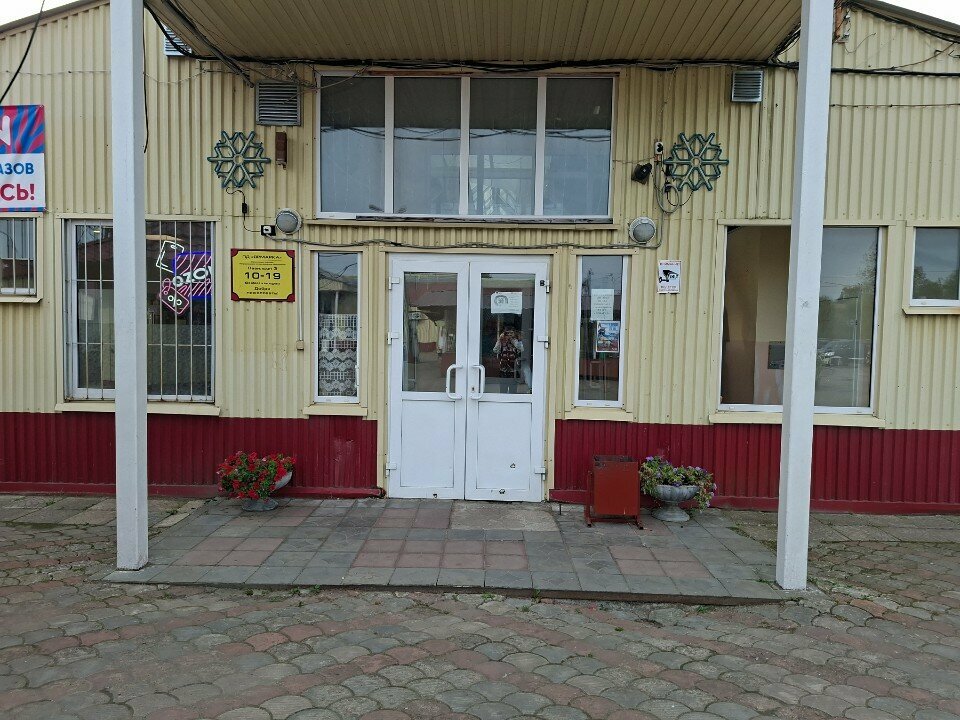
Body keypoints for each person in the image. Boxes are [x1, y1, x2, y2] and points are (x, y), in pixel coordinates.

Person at [493, 324, 523, 393]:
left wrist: (514, 340)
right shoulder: (501, 341)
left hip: (513, 369)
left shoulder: (516, 341)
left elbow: (521, 349)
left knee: (513, 390)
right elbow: (495, 350)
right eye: (507, 333)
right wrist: (500, 339)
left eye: (511, 333)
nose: (509, 335)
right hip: (503, 369)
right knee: (503, 389)